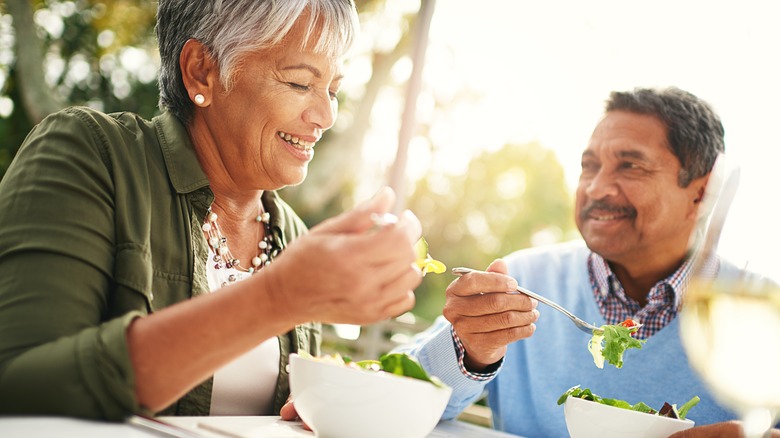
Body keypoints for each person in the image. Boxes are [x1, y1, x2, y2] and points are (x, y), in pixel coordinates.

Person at [0, 0, 424, 421]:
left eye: (333, 89)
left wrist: (465, 354)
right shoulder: (91, 156)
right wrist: (276, 298)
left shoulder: (291, 234)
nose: (326, 115)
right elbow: (19, 384)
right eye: (299, 83)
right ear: (201, 70)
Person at [397, 87, 780, 437]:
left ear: (702, 191)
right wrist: (471, 352)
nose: (596, 188)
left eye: (630, 166)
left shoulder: (758, 309)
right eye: (589, 166)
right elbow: (397, 391)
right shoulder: (521, 281)